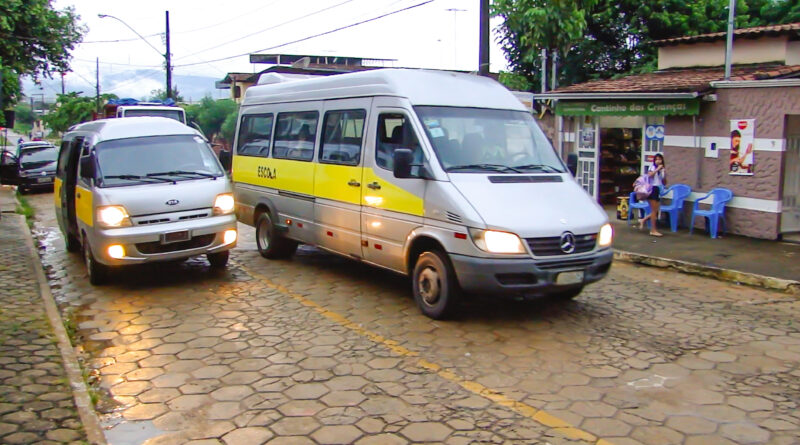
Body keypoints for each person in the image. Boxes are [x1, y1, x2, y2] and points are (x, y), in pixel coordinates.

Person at [638, 153, 667, 237]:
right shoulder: (652, 167)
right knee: (654, 211)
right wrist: (657, 169)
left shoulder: (662, 169)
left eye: (660, 159)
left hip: (658, 188)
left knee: (656, 210)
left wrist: (664, 174)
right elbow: (650, 175)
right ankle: (653, 230)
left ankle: (643, 220)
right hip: (652, 189)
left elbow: (664, 182)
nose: (658, 161)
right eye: (656, 159)